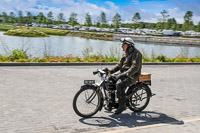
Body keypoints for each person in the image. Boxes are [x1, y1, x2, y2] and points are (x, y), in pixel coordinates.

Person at [109, 37, 142, 115]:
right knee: (110, 79)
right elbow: (119, 65)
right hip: (123, 73)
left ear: (129, 45)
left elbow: (135, 67)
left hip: (132, 75)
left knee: (119, 84)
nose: (121, 46)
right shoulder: (125, 52)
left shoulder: (137, 54)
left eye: (123, 45)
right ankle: (112, 101)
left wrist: (126, 74)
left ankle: (122, 105)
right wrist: (110, 71)